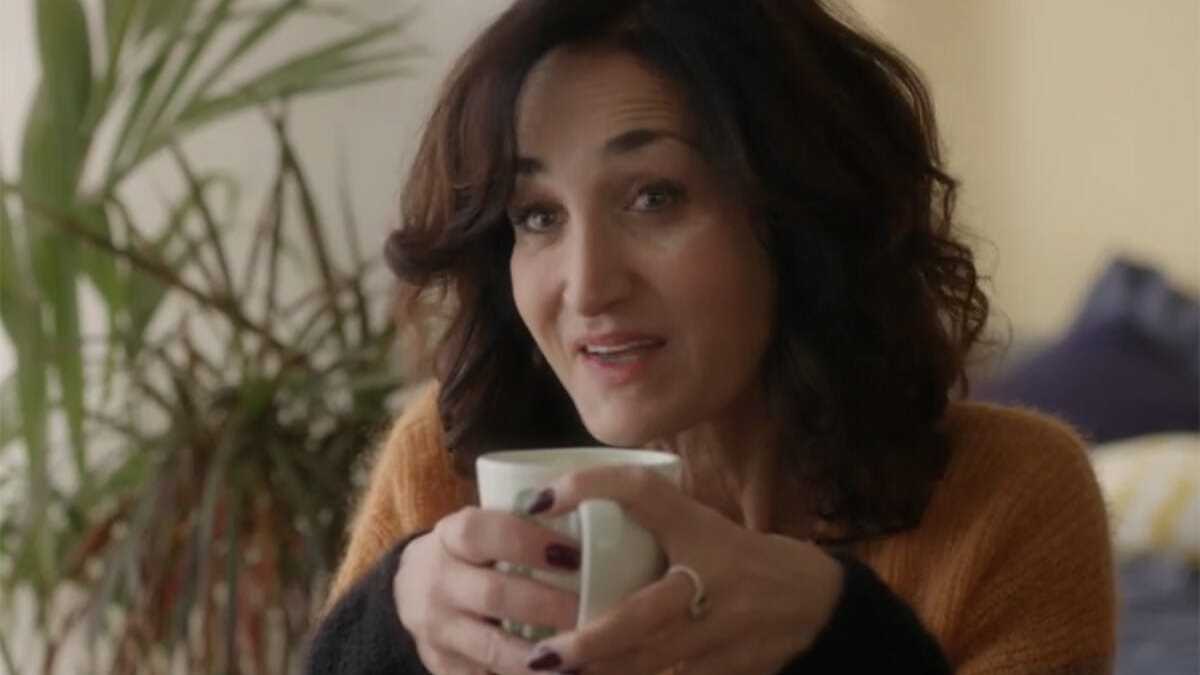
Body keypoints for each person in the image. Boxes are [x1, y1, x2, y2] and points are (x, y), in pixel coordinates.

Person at [306, 1, 1116, 673]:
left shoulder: (1008, 497)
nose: (586, 286)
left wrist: (841, 636)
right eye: (538, 215)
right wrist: (389, 626)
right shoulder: (445, 469)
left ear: (800, 217)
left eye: (654, 197)